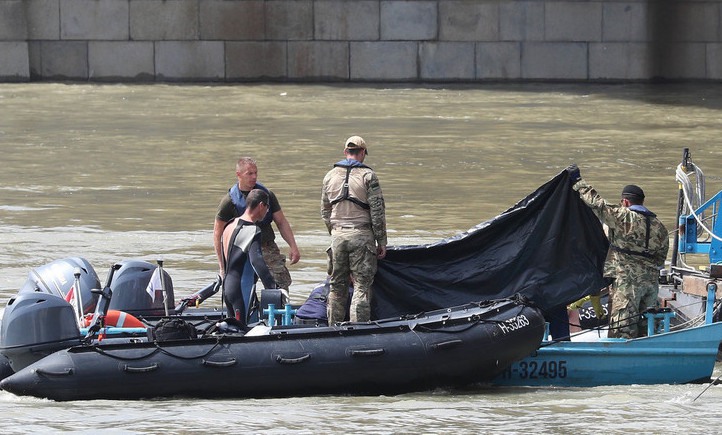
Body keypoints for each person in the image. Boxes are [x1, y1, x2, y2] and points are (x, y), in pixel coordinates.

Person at [566, 164, 669, 339]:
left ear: (626, 202)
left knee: (623, 329)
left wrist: (578, 181)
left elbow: (598, 204)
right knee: (647, 329)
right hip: (651, 284)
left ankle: (621, 364)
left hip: (627, 283)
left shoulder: (624, 216)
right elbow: (661, 259)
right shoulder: (660, 226)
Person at [321, 135, 387, 324]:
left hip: (337, 237)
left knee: (336, 287)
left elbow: (325, 211)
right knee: (361, 287)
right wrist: (381, 241)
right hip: (362, 236)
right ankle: (358, 332)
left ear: (345, 152)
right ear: (363, 153)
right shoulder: (368, 176)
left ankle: (332, 330)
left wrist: (334, 232)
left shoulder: (329, 176)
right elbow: (377, 211)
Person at [214, 157, 300, 291]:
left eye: (256, 173)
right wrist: (222, 266)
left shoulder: (266, 195)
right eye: (249, 173)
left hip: (267, 247)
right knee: (241, 286)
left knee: (281, 283)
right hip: (242, 249)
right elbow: (218, 234)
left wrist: (293, 246)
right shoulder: (229, 201)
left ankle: (279, 309)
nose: (254, 177)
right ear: (239, 174)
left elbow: (281, 222)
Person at [221, 189, 278, 328]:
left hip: (227, 286)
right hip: (240, 288)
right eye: (267, 207)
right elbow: (257, 261)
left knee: (232, 329)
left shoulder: (230, 224)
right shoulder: (253, 230)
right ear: (261, 206)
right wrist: (272, 287)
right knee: (241, 330)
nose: (267, 211)